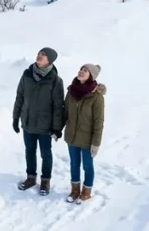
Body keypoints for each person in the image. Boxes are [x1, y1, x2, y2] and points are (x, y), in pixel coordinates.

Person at [13, 47, 65, 195]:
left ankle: (45, 181)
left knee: (45, 154)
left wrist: (56, 128)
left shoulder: (55, 80)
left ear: (50, 60)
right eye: (39, 54)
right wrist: (16, 117)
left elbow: (58, 106)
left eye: (43, 55)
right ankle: (30, 178)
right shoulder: (27, 74)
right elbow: (19, 97)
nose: (39, 56)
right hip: (28, 122)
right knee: (29, 151)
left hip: (45, 126)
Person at [62, 63, 106, 203]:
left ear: (91, 76)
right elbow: (65, 113)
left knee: (87, 165)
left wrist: (96, 143)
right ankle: (75, 191)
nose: (81, 71)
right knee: (74, 164)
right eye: (81, 69)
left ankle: (86, 192)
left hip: (88, 139)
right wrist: (56, 129)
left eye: (85, 70)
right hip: (72, 136)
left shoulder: (97, 97)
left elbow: (99, 121)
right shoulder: (71, 91)